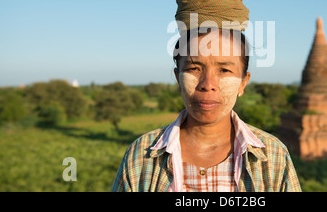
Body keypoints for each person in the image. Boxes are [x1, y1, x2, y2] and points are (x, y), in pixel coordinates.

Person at [111, 28, 301, 192]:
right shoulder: (142, 154)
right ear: (178, 79)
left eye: (224, 70)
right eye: (194, 68)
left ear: (243, 83)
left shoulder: (273, 155)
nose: (207, 84)